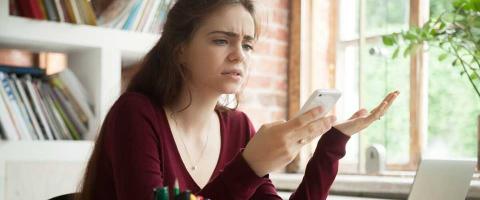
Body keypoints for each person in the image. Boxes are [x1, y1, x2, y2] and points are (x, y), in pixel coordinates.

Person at [76, 0, 399, 199]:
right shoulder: (135, 114)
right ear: (179, 49)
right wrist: (250, 166)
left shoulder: (238, 127)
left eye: (247, 45)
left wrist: (332, 144)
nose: (238, 55)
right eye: (221, 40)